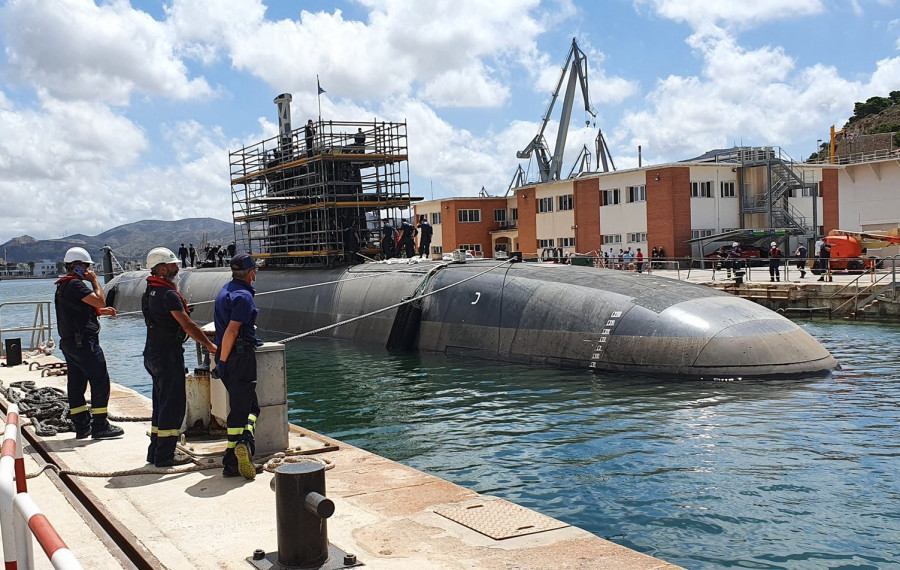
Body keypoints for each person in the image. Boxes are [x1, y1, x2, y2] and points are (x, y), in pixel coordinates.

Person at [142, 247, 217, 467]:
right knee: (172, 405)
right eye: (173, 265)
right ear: (162, 268)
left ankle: (155, 451)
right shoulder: (169, 294)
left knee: (160, 403)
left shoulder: (150, 291)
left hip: (152, 353)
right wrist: (210, 345)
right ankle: (165, 456)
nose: (177, 268)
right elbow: (188, 325)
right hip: (168, 355)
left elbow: (163, 318)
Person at [54, 247, 124, 440]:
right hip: (84, 343)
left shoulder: (63, 286)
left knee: (76, 384)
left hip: (70, 344)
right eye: (86, 267)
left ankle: (82, 426)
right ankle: (100, 425)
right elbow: (100, 300)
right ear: (77, 267)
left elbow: (77, 310)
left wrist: (101, 312)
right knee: (100, 380)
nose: (89, 270)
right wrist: (95, 281)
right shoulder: (76, 285)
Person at [214, 253, 262, 480]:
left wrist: (220, 361)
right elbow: (233, 331)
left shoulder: (225, 290)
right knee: (246, 410)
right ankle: (236, 455)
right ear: (251, 273)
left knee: (248, 406)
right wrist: (223, 361)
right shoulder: (244, 297)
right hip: (239, 357)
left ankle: (239, 451)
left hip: (227, 356)